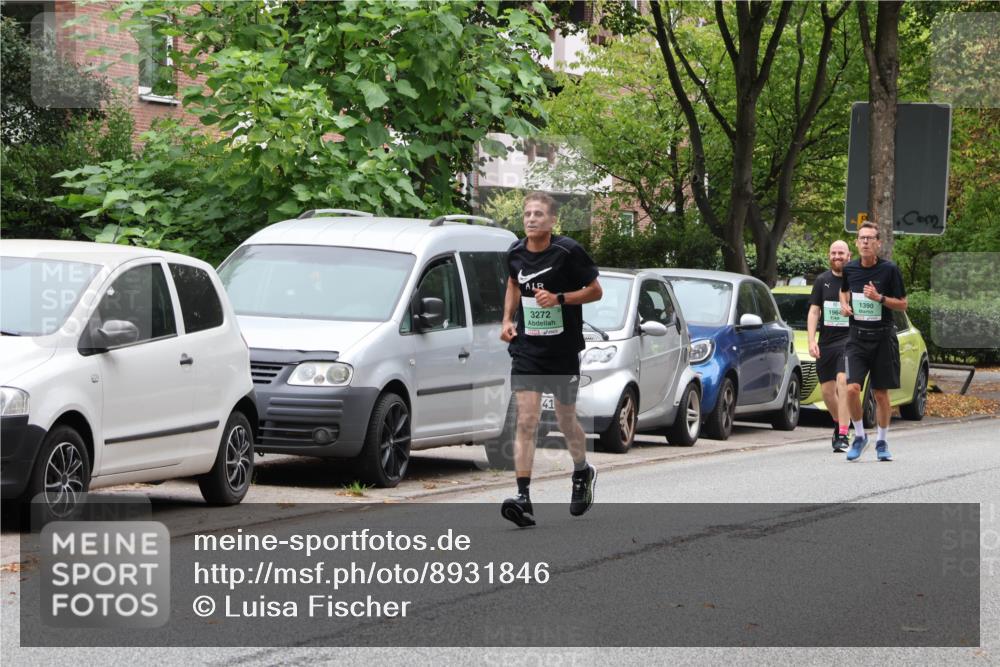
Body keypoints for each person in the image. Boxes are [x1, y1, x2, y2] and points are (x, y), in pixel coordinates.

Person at [499, 192, 603, 527]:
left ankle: (582, 471)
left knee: (564, 420)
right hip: (528, 349)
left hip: (562, 351)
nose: (531, 219)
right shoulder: (515, 252)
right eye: (527, 213)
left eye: (539, 214)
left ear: (552, 220)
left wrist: (559, 298)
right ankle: (523, 497)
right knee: (526, 420)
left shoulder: (568, 251)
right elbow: (514, 284)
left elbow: (595, 290)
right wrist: (506, 320)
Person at [839, 221, 908, 462]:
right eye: (862, 238)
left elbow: (902, 304)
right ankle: (859, 436)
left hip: (882, 337)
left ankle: (881, 441)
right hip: (857, 338)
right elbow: (844, 291)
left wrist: (879, 298)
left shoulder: (890, 270)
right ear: (856, 243)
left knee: (880, 394)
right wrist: (844, 305)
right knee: (851, 389)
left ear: (878, 243)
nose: (866, 242)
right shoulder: (850, 269)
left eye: (870, 238)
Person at [807, 240, 852, 453]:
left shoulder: (856, 279)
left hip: (849, 341)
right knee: (826, 392)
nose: (837, 256)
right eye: (834, 253)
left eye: (841, 253)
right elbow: (814, 312)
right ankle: (839, 423)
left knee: (842, 382)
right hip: (827, 342)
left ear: (849, 256)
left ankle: (843, 433)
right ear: (829, 256)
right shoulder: (822, 281)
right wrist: (811, 340)